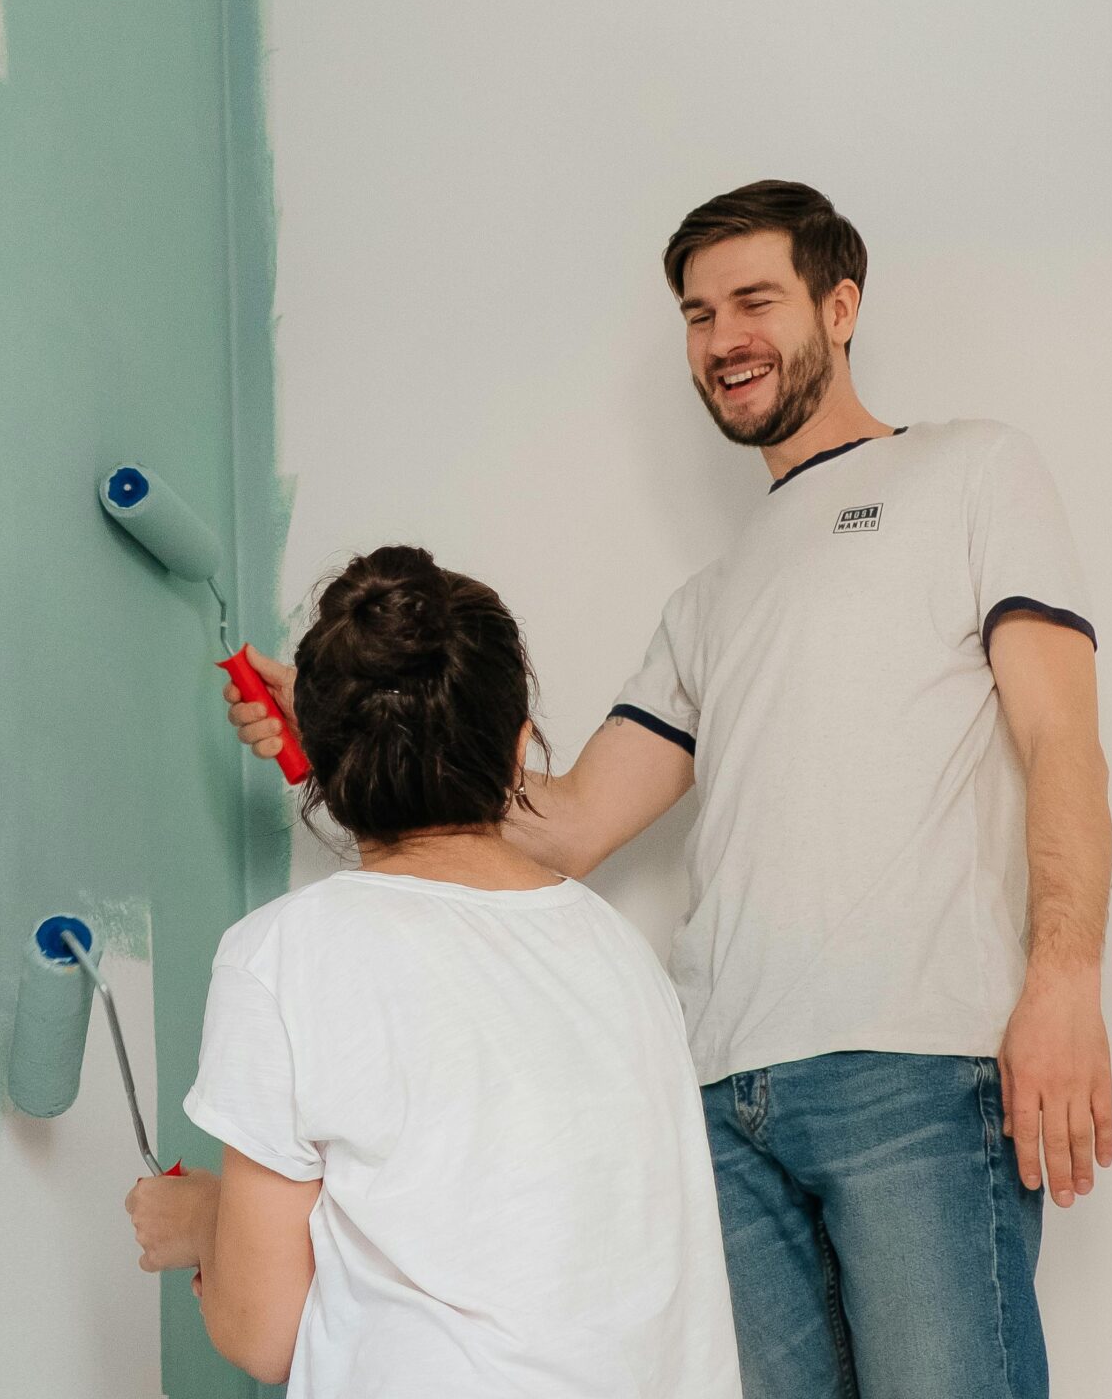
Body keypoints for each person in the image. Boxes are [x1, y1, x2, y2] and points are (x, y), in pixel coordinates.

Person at [224, 183, 1112, 1399]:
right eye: (699, 315)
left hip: (911, 1073)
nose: (723, 339)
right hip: (719, 1103)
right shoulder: (711, 599)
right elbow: (570, 823)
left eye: (754, 301)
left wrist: (1063, 981)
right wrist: (352, 724)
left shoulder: (973, 473)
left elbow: (1062, 737)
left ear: (840, 306)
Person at [127, 545, 742, 1399]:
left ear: (319, 764)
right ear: (521, 749)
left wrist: (204, 1223)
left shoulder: (283, 955)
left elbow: (262, 1336)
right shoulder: (621, 953)